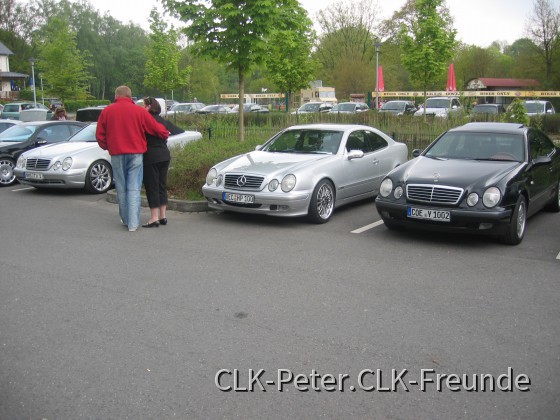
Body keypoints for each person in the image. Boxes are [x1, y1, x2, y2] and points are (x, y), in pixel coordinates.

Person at [96, 86, 169, 232]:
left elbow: (100, 135)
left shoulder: (107, 111)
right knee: (134, 188)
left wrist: (108, 146)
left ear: (116, 96)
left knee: (121, 188)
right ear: (130, 97)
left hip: (117, 154)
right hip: (136, 153)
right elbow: (156, 128)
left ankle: (125, 219)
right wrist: (165, 133)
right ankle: (133, 224)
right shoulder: (139, 111)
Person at [141, 97, 185, 228]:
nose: (142, 107)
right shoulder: (163, 121)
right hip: (165, 155)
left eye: (144, 105)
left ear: (149, 106)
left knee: (152, 186)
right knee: (162, 185)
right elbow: (180, 131)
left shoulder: (146, 121)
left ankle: (154, 218)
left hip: (150, 156)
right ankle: (163, 216)